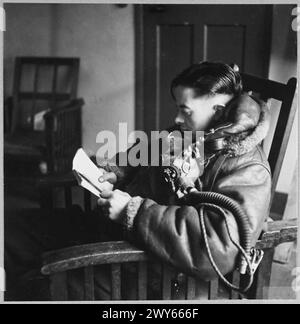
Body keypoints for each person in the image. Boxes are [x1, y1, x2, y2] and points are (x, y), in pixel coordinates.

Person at [5, 61, 271, 300]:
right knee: (11, 230)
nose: (177, 119)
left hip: (155, 272)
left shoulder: (249, 168)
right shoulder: (190, 133)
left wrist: (132, 211)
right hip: (118, 235)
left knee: (34, 287)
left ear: (219, 112)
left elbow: (218, 247)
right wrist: (117, 171)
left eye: (185, 110)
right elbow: (145, 152)